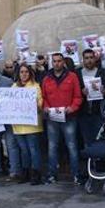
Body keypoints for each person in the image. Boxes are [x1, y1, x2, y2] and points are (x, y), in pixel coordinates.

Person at [41, 52, 84, 185]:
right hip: (52, 118)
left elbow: (78, 96)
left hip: (69, 117)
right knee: (52, 147)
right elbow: (43, 98)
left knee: (71, 146)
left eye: (59, 61)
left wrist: (72, 108)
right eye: (54, 61)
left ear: (63, 62)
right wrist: (46, 108)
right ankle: (51, 175)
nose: (57, 63)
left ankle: (76, 175)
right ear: (51, 63)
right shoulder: (46, 78)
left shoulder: (72, 77)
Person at [11, 63, 44, 185]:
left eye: (26, 72)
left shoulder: (35, 86)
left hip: (32, 125)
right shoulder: (14, 87)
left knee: (33, 149)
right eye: (21, 72)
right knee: (24, 150)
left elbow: (40, 103)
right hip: (18, 126)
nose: (24, 74)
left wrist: (35, 106)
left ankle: (36, 174)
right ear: (18, 74)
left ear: (30, 73)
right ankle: (25, 173)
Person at [76, 48, 105, 149]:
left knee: (99, 139)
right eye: (86, 58)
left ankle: (98, 163)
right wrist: (81, 92)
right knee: (87, 141)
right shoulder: (77, 74)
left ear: (95, 59)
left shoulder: (102, 73)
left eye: (91, 57)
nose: (89, 60)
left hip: (98, 113)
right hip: (83, 113)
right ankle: (89, 163)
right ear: (82, 60)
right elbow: (73, 92)